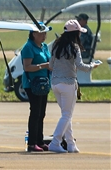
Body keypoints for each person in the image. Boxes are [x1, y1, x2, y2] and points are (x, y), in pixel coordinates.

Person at [47, 20, 103, 153]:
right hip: (68, 84)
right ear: (75, 33)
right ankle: (55, 142)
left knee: (66, 115)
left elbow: (50, 65)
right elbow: (80, 66)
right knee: (66, 115)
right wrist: (92, 66)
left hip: (55, 83)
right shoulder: (74, 47)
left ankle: (71, 144)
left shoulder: (56, 45)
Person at [19, 23, 51, 152]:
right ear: (33, 34)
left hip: (43, 83)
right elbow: (27, 67)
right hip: (32, 83)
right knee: (35, 112)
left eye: (45, 33)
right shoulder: (28, 47)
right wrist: (44, 66)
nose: (44, 36)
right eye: (41, 33)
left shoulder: (43, 47)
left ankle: (40, 141)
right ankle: (32, 143)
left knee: (41, 113)